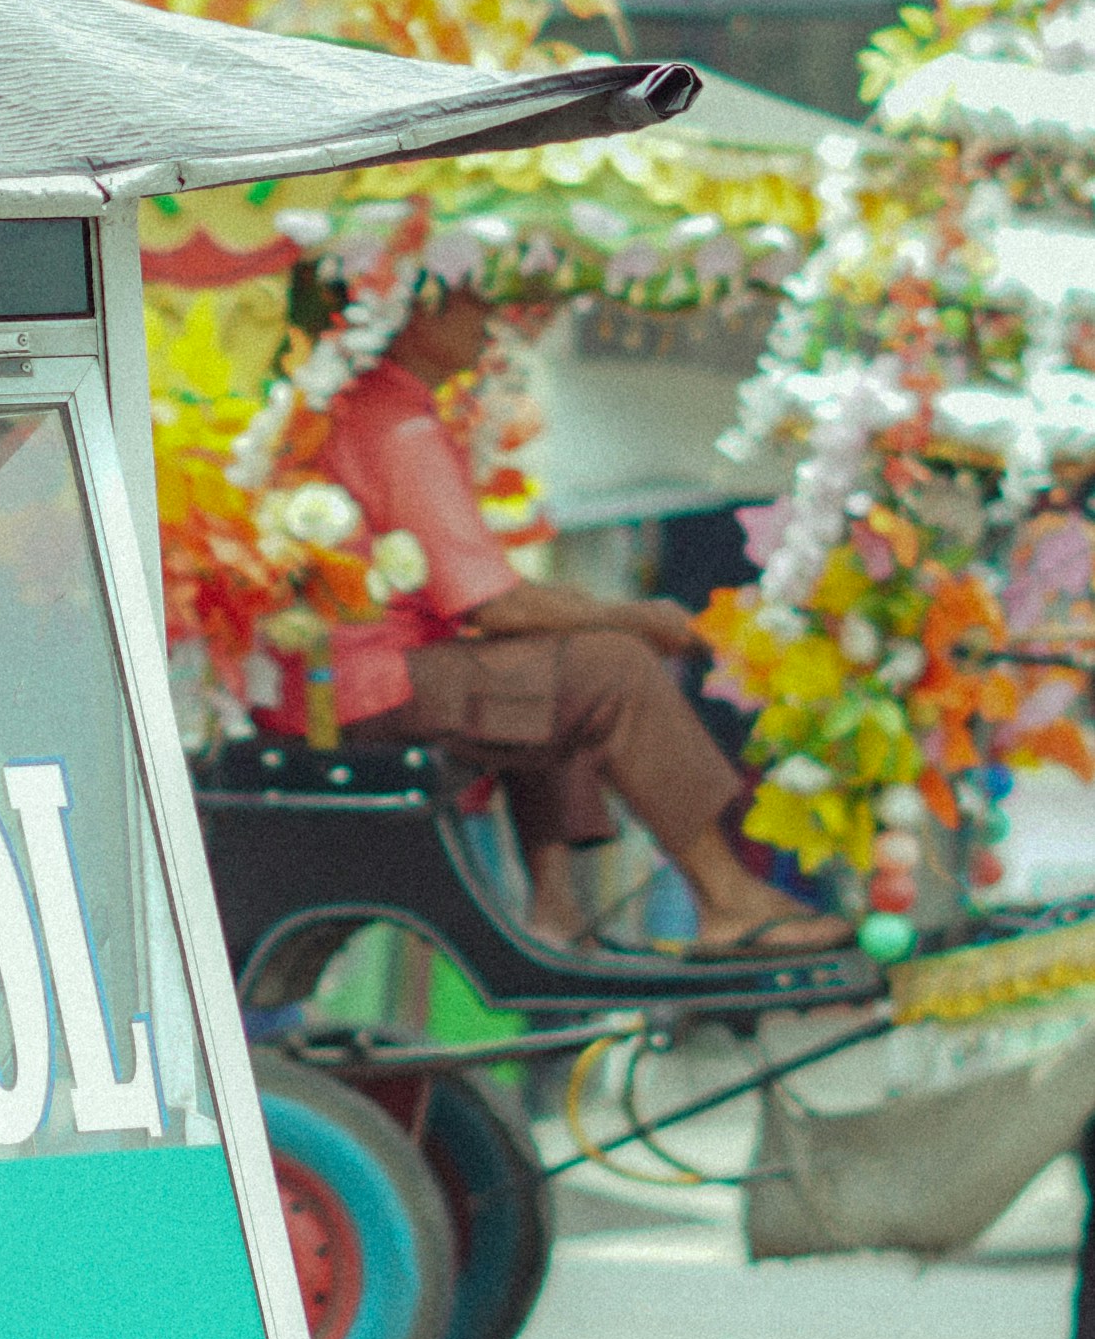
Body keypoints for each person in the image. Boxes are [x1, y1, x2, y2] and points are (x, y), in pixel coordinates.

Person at [280, 276, 813, 953]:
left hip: (368, 678)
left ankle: (555, 912)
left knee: (558, 668)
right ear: (415, 311)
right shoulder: (401, 426)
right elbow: (495, 603)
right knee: (608, 666)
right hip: (368, 686)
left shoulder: (388, 410)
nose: (491, 314)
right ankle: (727, 900)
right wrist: (639, 620)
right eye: (470, 296)